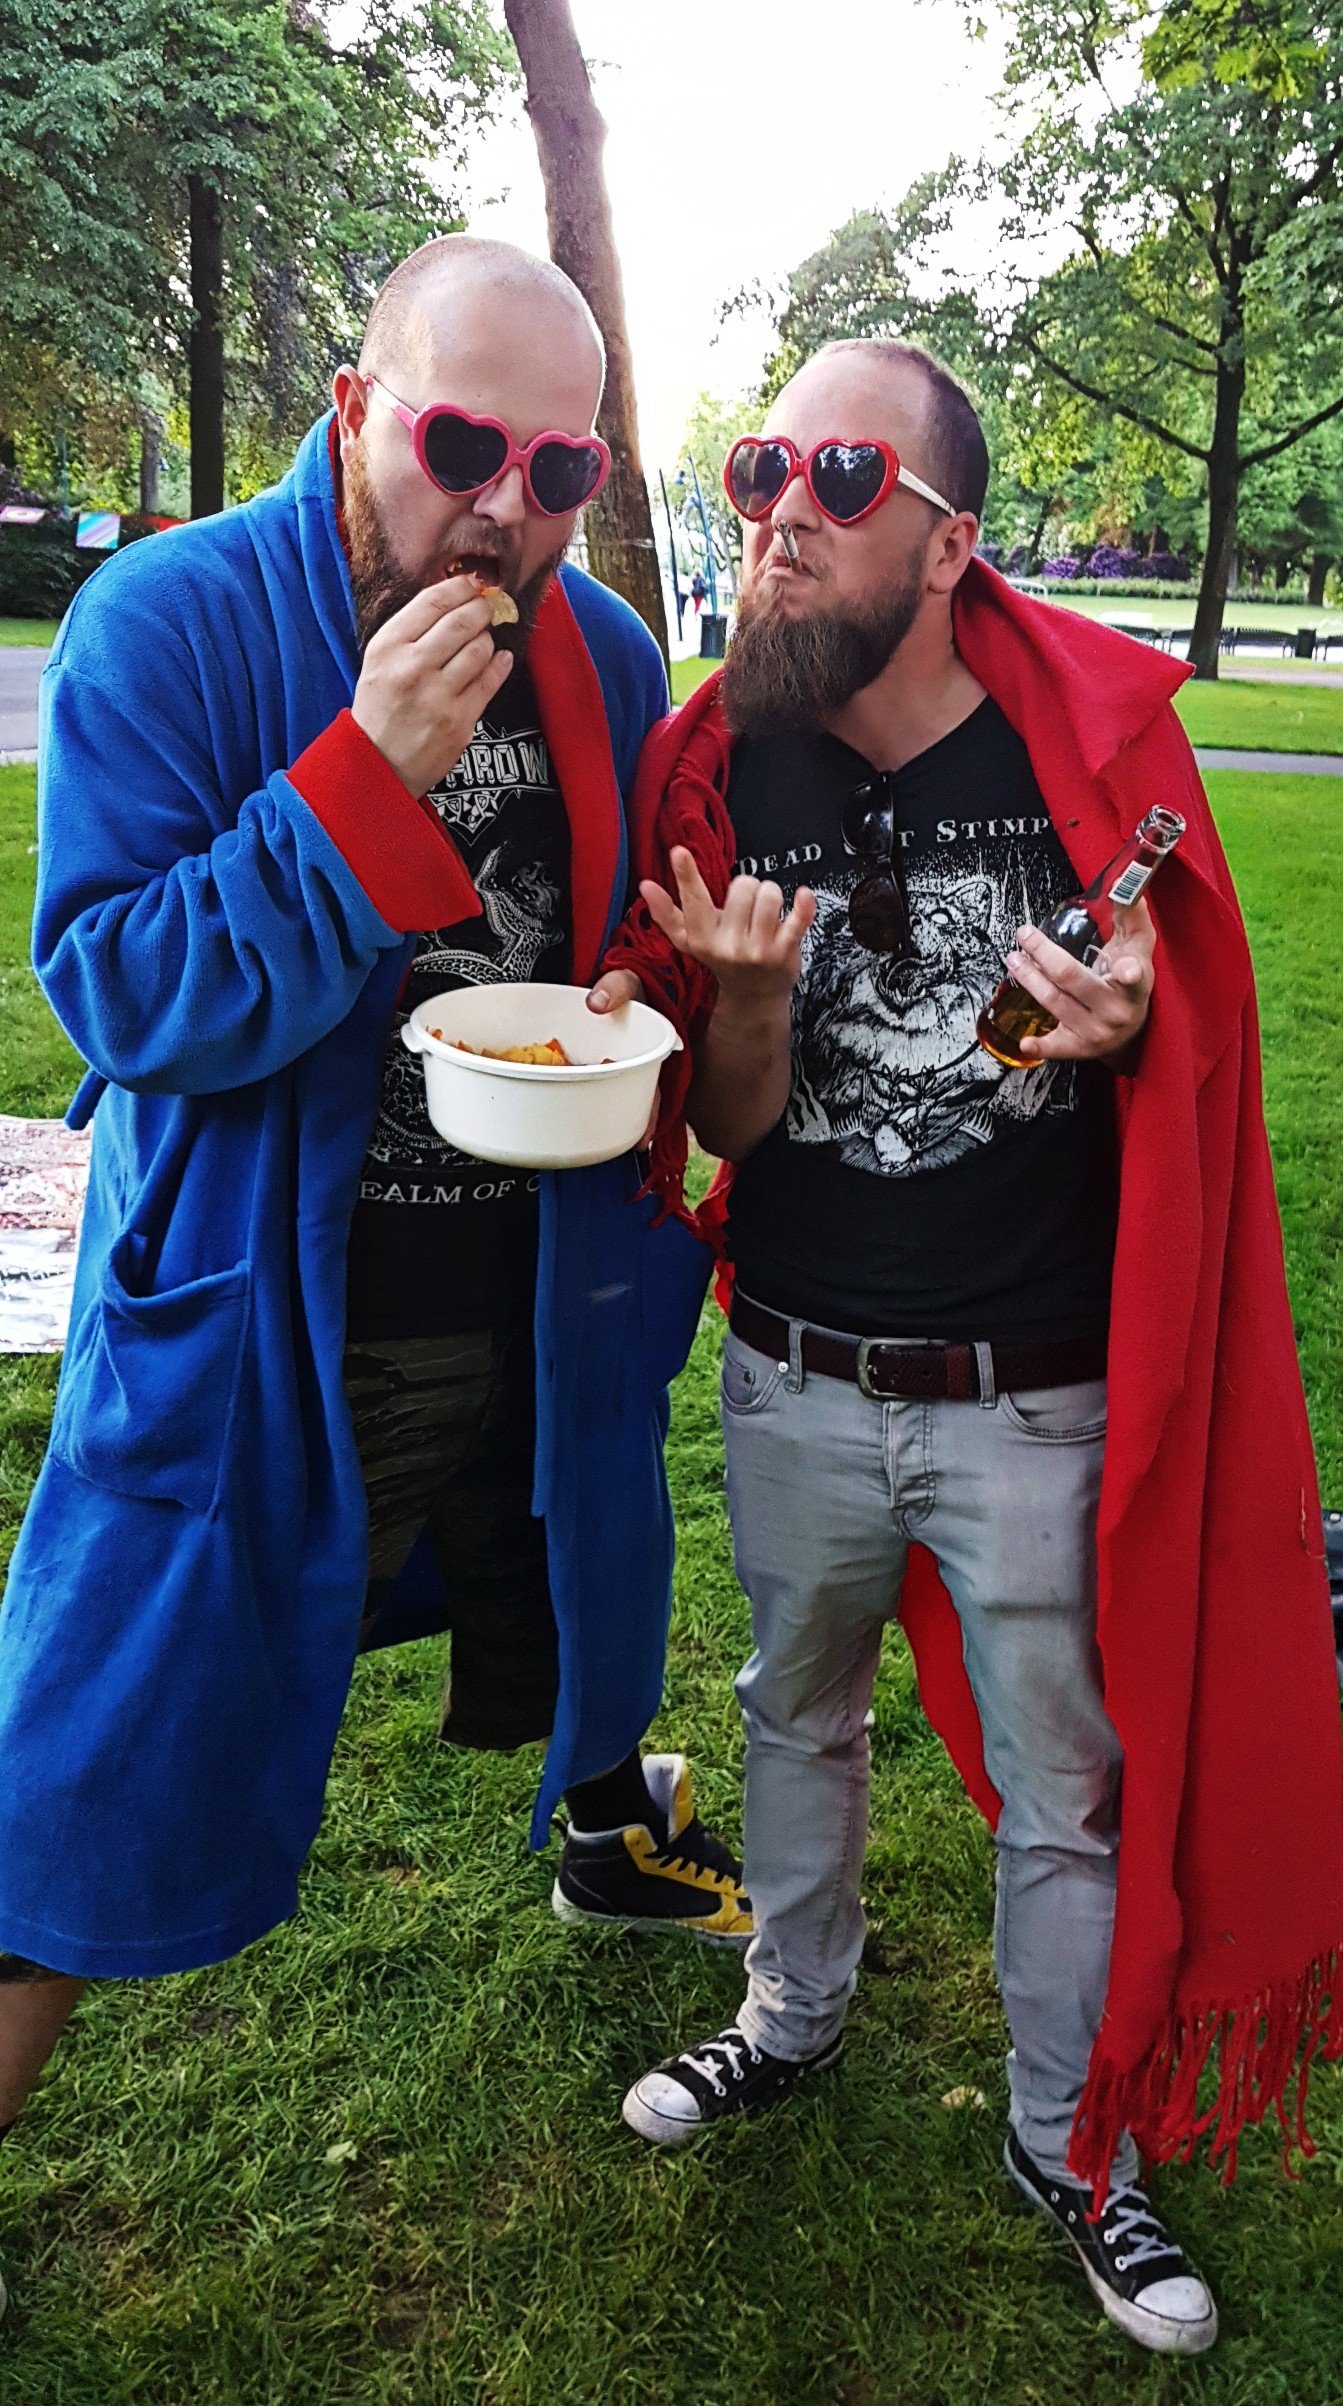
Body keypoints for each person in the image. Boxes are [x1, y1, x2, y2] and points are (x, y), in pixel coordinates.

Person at [0, 235, 749, 2292]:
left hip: (532, 1296)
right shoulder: (170, 622)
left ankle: (609, 1832)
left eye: (562, 468)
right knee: (87, 1753)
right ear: (352, 413)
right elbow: (122, 991)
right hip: (265, 1323)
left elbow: (617, 920)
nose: (508, 509)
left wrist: (639, 980)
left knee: (579, 1588)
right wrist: (361, 779)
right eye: (461, 447)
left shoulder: (601, 653)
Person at [599, 339, 1343, 2357]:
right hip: (795, 1370)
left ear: (951, 544)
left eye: (844, 479)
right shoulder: (729, 764)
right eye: (765, 468)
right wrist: (747, 1004)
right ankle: (791, 2012)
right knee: (791, 1711)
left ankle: (1072, 2142)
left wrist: (1129, 1034)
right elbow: (735, 1125)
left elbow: (1155, 1070)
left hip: (1034, 1398)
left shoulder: (1085, 766)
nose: (785, 512)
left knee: (1065, 1783)